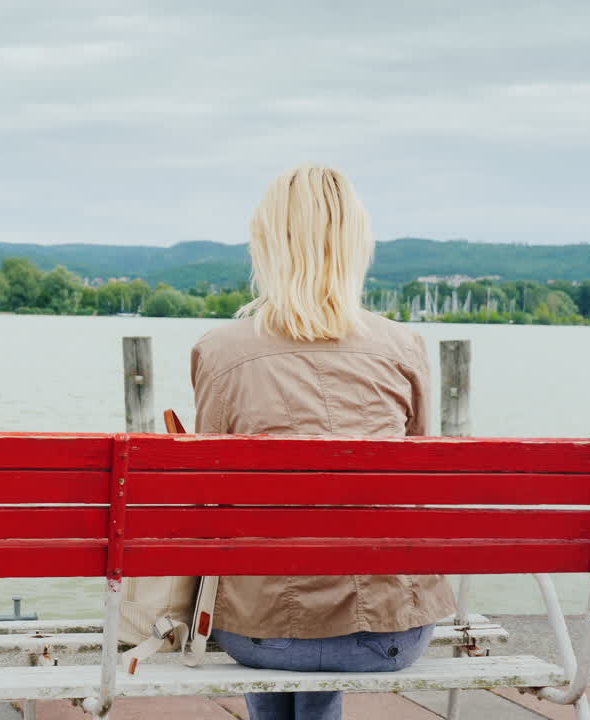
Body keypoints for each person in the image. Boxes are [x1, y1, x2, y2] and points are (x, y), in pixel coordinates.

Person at [192, 164, 456, 720]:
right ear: (357, 244)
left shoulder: (219, 350)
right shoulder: (402, 346)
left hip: (256, 631)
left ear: (265, 243)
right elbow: (420, 481)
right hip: (389, 632)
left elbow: (209, 495)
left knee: (277, 617)